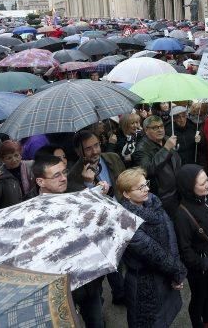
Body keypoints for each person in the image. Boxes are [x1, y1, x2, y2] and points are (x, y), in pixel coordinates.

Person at [32, 154, 105, 328]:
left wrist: (98, 198)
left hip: (89, 279)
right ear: (40, 182)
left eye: (64, 172)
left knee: (97, 322)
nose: (64, 178)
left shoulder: (74, 193)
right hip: (62, 287)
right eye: (56, 175)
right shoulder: (33, 212)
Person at [117, 167, 187, 328]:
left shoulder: (153, 203)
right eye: (140, 187)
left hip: (165, 273)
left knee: (164, 317)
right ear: (127, 194)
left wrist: (175, 269)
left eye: (146, 184)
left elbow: (171, 237)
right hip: (144, 283)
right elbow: (153, 252)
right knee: (150, 321)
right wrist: (177, 271)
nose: (147, 189)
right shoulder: (125, 220)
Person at [66, 130, 125, 305]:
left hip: (121, 216)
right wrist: (89, 184)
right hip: (99, 227)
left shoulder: (112, 158)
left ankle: (121, 292)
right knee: (110, 262)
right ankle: (115, 295)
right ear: (79, 152)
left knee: (123, 259)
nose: (95, 151)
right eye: (88, 149)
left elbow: (123, 183)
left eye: (96, 145)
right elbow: (82, 209)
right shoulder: (73, 177)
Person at [173, 165, 208, 328]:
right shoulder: (182, 214)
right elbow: (185, 248)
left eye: (207, 181)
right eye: (202, 184)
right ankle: (197, 324)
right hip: (199, 267)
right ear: (190, 187)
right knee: (199, 297)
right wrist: (200, 263)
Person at [133, 116, 181, 216]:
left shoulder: (167, 139)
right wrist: (166, 149)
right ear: (146, 130)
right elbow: (147, 170)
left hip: (178, 192)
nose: (160, 130)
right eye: (155, 127)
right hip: (162, 198)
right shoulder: (141, 149)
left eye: (161, 126)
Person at [0, 140, 37, 209]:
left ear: (20, 154)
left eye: (16, 155)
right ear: (2, 160)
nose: (14, 160)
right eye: (9, 158)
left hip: (32, 206)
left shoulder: (31, 165)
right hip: (13, 211)